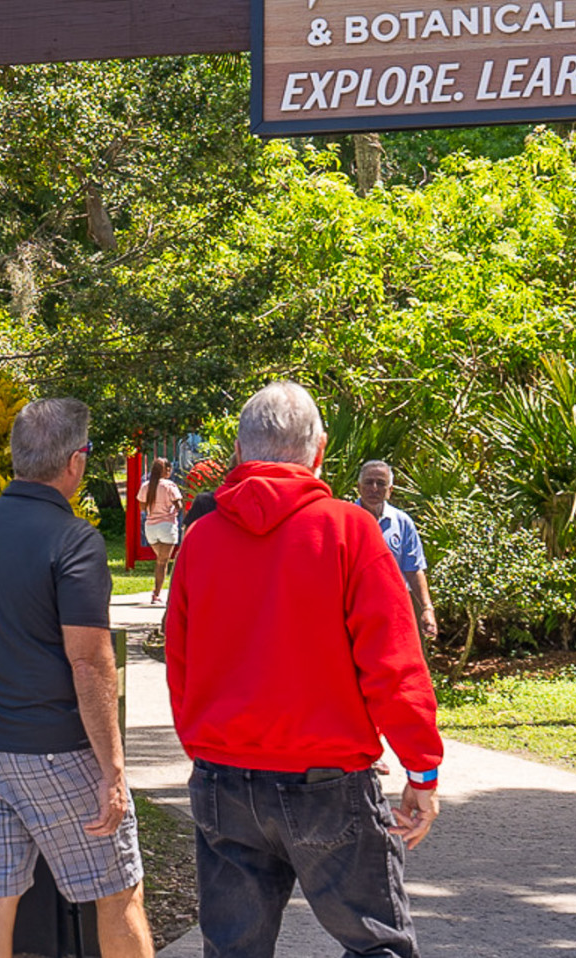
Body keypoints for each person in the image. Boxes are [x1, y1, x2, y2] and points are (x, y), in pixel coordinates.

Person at [166, 381, 442, 958]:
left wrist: (202, 743)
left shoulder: (201, 539)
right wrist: (421, 771)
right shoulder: (349, 531)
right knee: (378, 945)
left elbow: (181, 660)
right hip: (327, 780)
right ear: (317, 452)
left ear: (240, 454)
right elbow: (394, 664)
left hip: (223, 772)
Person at [0, 397, 152, 958]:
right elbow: (90, 662)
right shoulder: (74, 540)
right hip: (55, 750)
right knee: (118, 893)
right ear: (76, 462)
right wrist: (113, 767)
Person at [356, 461, 438, 641]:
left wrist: (427, 609)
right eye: (369, 482)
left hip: (395, 607)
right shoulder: (345, 519)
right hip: (355, 609)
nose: (374, 488)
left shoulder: (402, 522)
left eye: (381, 483)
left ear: (390, 490)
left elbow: (414, 568)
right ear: (359, 487)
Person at [142, 455, 183, 605]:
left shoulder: (146, 486)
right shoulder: (170, 486)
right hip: (167, 527)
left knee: (160, 560)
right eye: (169, 469)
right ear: (166, 470)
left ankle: (157, 593)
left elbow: (141, 506)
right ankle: (157, 594)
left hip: (151, 528)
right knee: (163, 562)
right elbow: (179, 505)